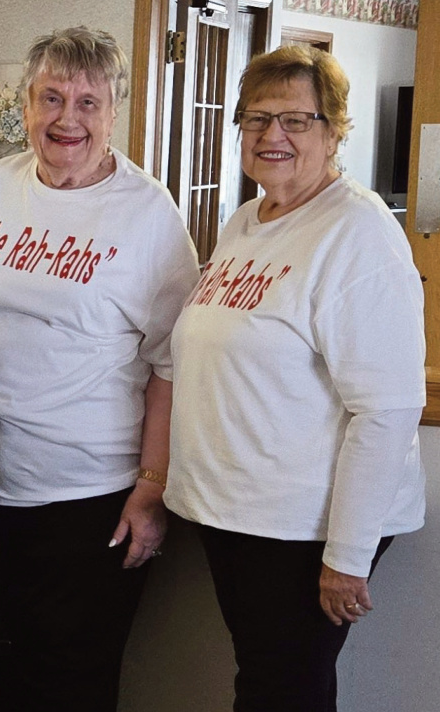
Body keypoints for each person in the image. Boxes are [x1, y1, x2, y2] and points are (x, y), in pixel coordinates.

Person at [0, 27, 198, 711]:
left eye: (87, 101)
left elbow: (171, 363)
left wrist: (150, 488)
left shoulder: (148, 214)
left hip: (86, 501)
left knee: (68, 686)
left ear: (113, 114)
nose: (65, 118)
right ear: (23, 107)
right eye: (50, 98)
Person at [166, 46, 425, 712]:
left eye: (294, 120)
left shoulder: (356, 234)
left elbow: (387, 409)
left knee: (281, 690)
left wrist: (345, 553)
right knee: (266, 679)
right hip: (237, 514)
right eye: (255, 119)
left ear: (334, 130)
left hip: (302, 526)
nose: (270, 136)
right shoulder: (246, 221)